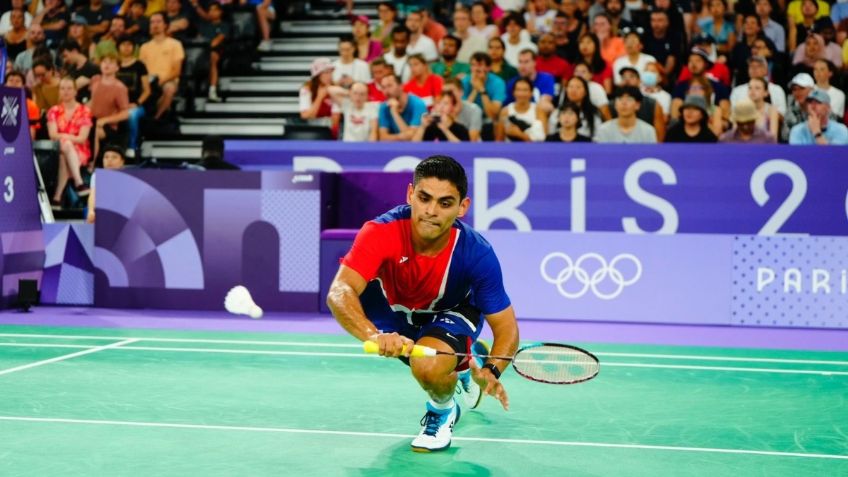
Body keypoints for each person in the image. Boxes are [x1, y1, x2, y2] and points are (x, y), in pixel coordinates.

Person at [326, 155, 519, 452]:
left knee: (427, 367)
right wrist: (373, 335)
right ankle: (464, 361)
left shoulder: (476, 253)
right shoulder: (381, 232)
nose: (430, 211)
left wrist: (492, 372)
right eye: (424, 198)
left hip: (452, 310)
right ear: (410, 195)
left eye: (445, 203)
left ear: (462, 207)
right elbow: (339, 290)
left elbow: (506, 327)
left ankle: (443, 412)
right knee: (431, 360)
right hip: (395, 313)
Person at [47, 77, 93, 208]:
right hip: (58, 148)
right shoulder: (53, 111)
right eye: (62, 88)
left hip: (80, 149)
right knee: (64, 147)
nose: (65, 92)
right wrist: (68, 137)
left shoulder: (85, 111)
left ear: (75, 91)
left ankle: (57, 197)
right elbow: (52, 135)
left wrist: (64, 137)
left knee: (64, 154)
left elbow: (82, 138)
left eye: (69, 88)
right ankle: (79, 183)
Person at [138, 12, 184, 120]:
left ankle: (157, 118)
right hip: (148, 81)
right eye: (152, 22)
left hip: (167, 80)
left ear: (165, 25)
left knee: (169, 88)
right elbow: (141, 69)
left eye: (158, 21)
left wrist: (161, 81)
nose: (155, 25)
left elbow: (177, 71)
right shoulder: (144, 47)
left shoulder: (175, 44)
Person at [89, 53, 130, 161]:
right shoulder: (95, 80)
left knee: (94, 132)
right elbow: (92, 101)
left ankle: (92, 164)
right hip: (91, 120)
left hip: (108, 126)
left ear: (117, 67)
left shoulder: (119, 87)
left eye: (111, 63)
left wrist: (104, 120)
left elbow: (125, 113)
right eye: (104, 62)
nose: (106, 65)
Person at [378, 73, 427, 141]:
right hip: (393, 149)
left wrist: (394, 112)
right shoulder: (384, 107)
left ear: (401, 86)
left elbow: (412, 139)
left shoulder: (417, 104)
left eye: (390, 86)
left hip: (417, 149)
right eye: (383, 87)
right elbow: (383, 138)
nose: (386, 91)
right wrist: (402, 136)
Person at [496, 78, 547, 142]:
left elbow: (543, 140)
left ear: (531, 92)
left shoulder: (538, 110)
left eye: (525, 90)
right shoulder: (505, 111)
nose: (521, 94)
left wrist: (520, 134)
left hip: (532, 150)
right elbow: (499, 140)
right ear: (513, 92)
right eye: (518, 90)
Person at [86, 143, 126, 224]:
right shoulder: (96, 175)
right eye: (106, 157)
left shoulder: (129, 177)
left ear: (122, 161)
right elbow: (93, 195)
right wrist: (91, 211)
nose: (109, 160)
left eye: (114, 157)